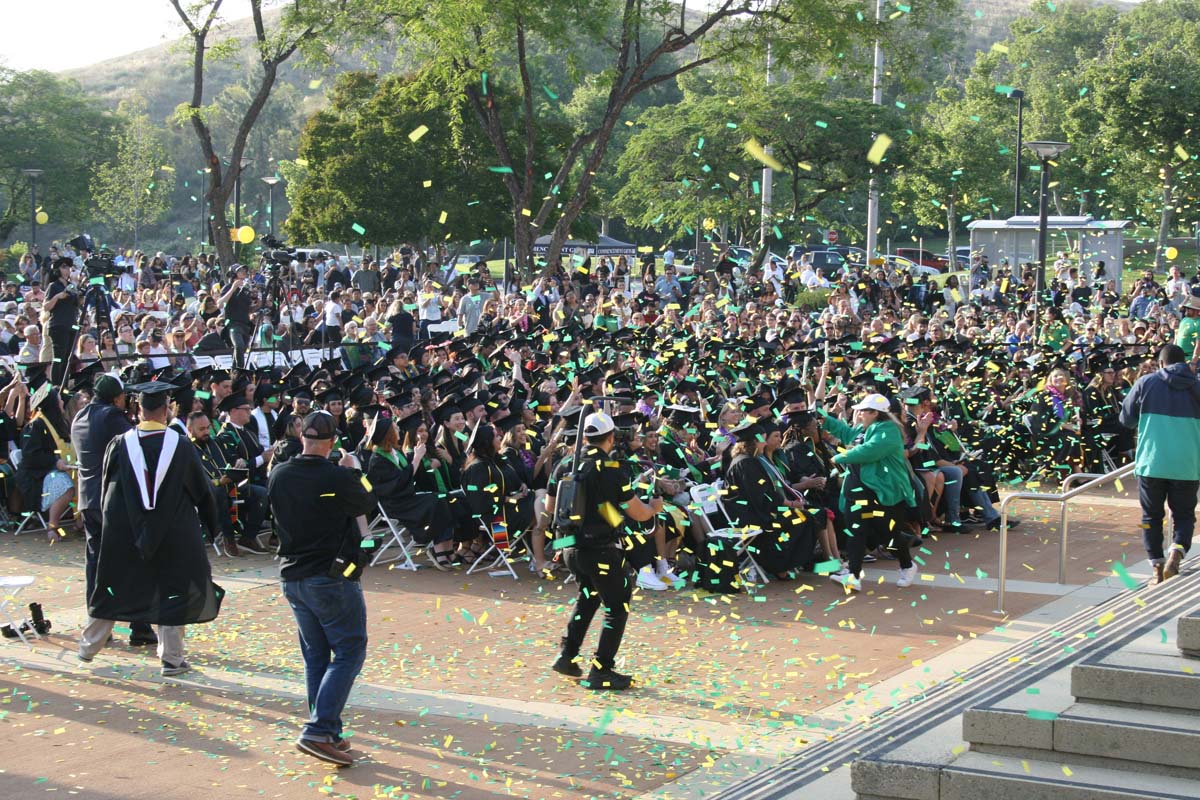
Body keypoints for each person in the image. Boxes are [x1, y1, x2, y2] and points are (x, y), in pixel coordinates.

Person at [78, 381, 223, 676]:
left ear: (138, 408)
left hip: (126, 529)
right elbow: (202, 491)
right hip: (173, 529)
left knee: (114, 583)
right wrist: (213, 525)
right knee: (174, 589)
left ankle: (88, 647)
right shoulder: (180, 445)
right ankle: (171, 658)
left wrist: (112, 528)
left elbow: (108, 488)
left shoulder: (120, 444)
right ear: (167, 409)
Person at [268, 410, 376, 766]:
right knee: (349, 651)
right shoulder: (337, 475)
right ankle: (319, 729)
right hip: (328, 578)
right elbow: (367, 500)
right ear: (331, 443)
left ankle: (327, 730)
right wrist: (353, 470)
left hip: (292, 577)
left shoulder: (280, 473)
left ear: (304, 438)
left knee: (316, 656)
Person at [551, 411, 662, 691]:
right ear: (611, 437)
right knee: (616, 607)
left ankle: (567, 655)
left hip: (570, 548)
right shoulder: (612, 468)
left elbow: (549, 508)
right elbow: (636, 512)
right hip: (600, 550)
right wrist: (653, 509)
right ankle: (602, 670)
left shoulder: (566, 462)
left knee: (587, 599)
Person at [69, 374, 157, 645]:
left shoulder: (80, 416)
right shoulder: (111, 417)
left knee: (95, 564)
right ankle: (140, 626)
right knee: (134, 561)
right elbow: (137, 447)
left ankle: (98, 625)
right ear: (116, 397)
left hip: (87, 499)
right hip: (112, 501)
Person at [819, 393, 917, 592]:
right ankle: (854, 576)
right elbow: (846, 433)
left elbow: (871, 451)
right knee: (856, 530)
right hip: (859, 489)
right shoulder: (865, 428)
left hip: (882, 491)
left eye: (863, 411)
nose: (859, 414)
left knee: (887, 533)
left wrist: (840, 457)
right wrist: (824, 418)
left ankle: (907, 565)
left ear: (875, 413)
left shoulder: (888, 430)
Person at [1120, 343, 1200, 583]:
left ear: (1161, 363)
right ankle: (1177, 549)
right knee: (1184, 514)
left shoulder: (1146, 383)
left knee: (1150, 517)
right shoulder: (1196, 386)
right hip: (1187, 463)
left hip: (1152, 462)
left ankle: (1156, 565)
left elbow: (1126, 419)